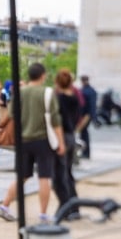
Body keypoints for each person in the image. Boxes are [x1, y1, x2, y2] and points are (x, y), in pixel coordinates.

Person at [0, 62, 63, 223]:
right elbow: (55, 120)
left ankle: (5, 205)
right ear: (43, 75)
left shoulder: (20, 93)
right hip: (42, 140)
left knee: (22, 176)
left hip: (23, 140)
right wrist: (61, 142)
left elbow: (11, 115)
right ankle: (43, 214)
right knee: (44, 178)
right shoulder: (47, 93)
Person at [51, 69, 83, 207]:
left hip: (60, 137)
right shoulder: (74, 98)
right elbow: (77, 118)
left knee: (59, 176)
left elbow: (56, 120)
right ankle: (74, 205)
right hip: (71, 135)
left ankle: (65, 205)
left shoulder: (57, 99)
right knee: (68, 173)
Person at [78, 75, 97, 158]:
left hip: (85, 115)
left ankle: (85, 152)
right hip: (89, 114)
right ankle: (86, 152)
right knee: (84, 133)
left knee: (84, 134)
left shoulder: (84, 91)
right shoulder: (92, 90)